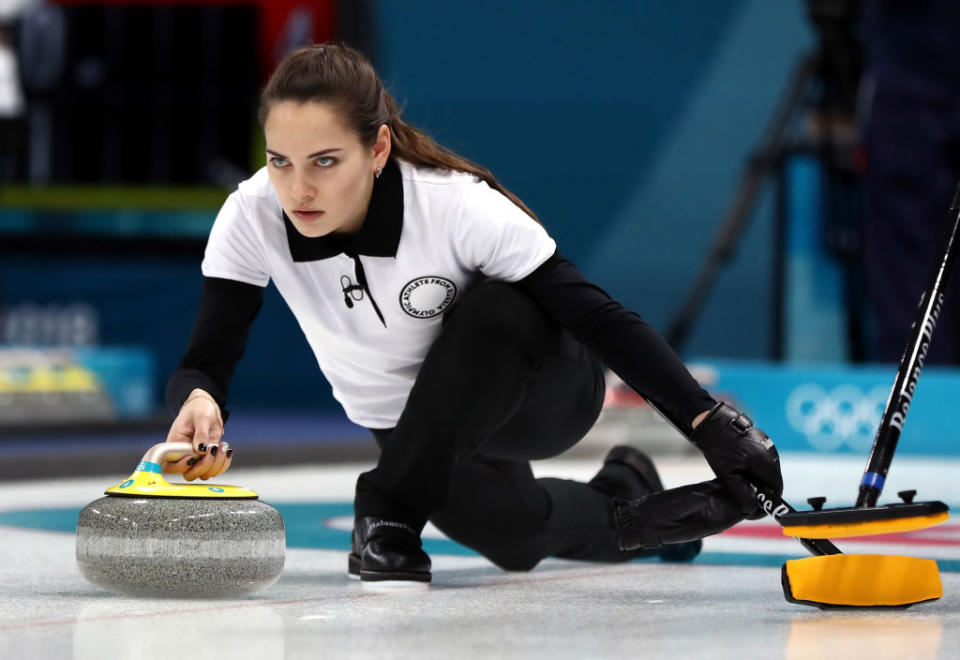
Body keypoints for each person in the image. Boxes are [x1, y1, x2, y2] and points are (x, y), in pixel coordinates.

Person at [163, 43, 783, 587]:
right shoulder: (250, 215)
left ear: (377, 148)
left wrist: (709, 422)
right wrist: (200, 398)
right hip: (413, 429)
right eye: (280, 161)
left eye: (325, 161)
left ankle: (388, 505)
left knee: (503, 306)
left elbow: (597, 317)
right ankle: (633, 499)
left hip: (541, 395)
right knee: (515, 541)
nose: (298, 190)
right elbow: (208, 358)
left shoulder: (453, 205)